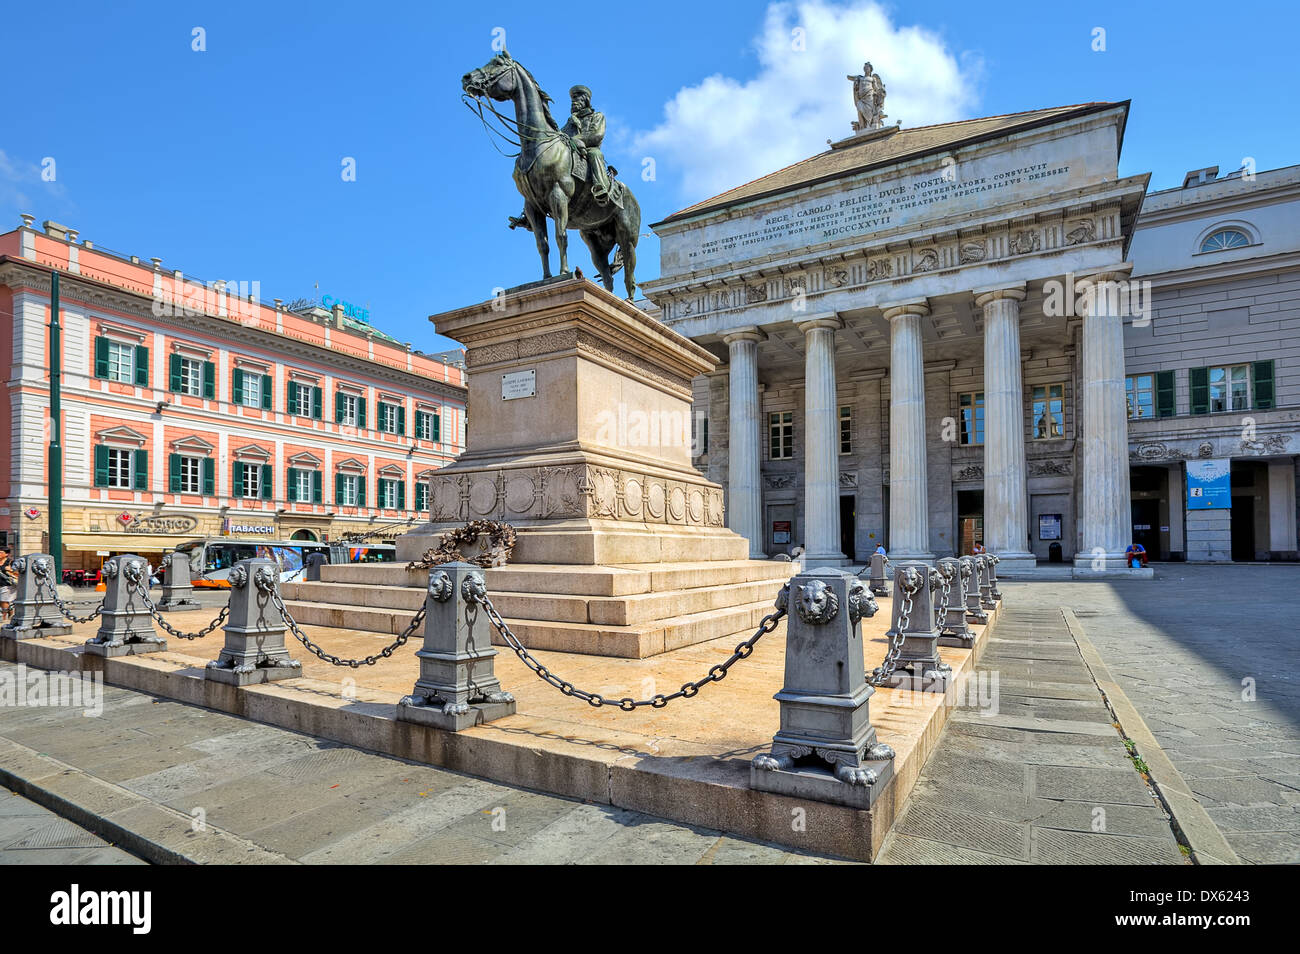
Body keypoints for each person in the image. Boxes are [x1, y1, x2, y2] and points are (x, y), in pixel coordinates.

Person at [0, 551, 16, 620]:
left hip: (7, 584)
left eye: (1, 552)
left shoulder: (10, 562)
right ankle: (11, 612)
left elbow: (15, 571)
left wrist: (10, 569)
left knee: (4, 600)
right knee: (3, 601)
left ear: (6, 554)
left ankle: (4, 617)